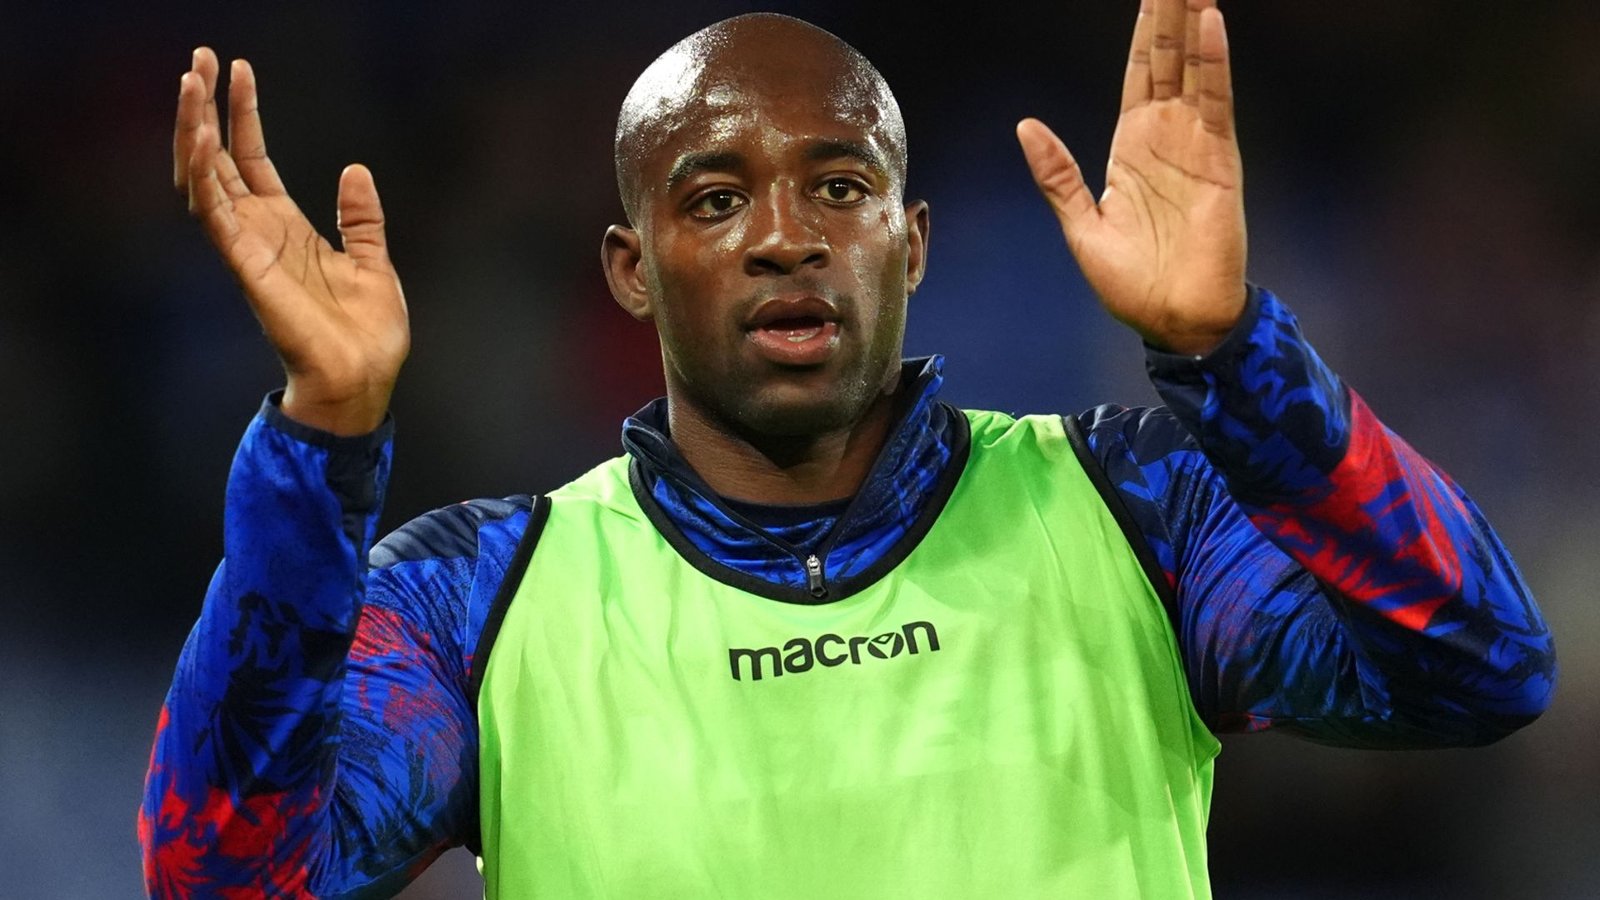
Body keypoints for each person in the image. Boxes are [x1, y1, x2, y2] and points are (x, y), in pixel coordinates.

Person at [139, 4, 1555, 898]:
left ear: (912, 244)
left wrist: (1236, 352)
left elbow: (1482, 665)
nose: (784, 236)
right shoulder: (476, 598)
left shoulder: (1135, 508)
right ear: (632, 270)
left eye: (838, 186)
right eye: (715, 198)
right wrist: (323, 438)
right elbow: (226, 884)